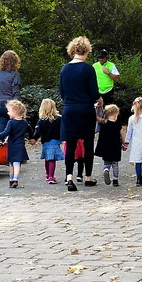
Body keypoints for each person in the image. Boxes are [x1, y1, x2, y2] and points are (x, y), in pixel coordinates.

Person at [58, 36, 101, 191]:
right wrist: (99, 99)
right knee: (88, 143)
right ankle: (88, 177)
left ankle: (69, 177)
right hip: (85, 109)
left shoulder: (64, 69)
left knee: (70, 144)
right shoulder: (88, 69)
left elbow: (62, 93)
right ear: (86, 51)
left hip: (69, 110)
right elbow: (94, 92)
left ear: (72, 51)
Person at [0, 99, 31, 188]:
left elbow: (6, 132)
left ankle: (12, 179)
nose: (8, 113)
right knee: (17, 163)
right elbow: (30, 129)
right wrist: (31, 137)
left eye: (9, 111)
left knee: (11, 163)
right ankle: (15, 179)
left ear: (15, 111)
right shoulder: (24, 122)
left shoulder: (11, 122)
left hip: (12, 145)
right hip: (20, 145)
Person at [0, 51, 22, 133]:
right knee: (13, 133)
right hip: (10, 105)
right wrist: (19, 109)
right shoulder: (15, 75)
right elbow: (16, 93)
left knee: (0, 133)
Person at [36, 98, 63, 185]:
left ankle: (47, 174)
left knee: (47, 159)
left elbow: (38, 131)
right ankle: (51, 176)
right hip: (55, 141)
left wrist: (33, 139)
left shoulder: (41, 120)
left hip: (45, 142)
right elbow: (62, 129)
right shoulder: (59, 119)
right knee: (52, 159)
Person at [95, 103, 124, 186]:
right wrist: (124, 143)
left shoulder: (103, 122)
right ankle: (115, 180)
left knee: (107, 162)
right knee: (115, 164)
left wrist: (96, 109)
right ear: (115, 114)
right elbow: (122, 133)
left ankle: (106, 170)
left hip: (105, 146)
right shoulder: (117, 124)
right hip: (115, 146)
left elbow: (96, 117)